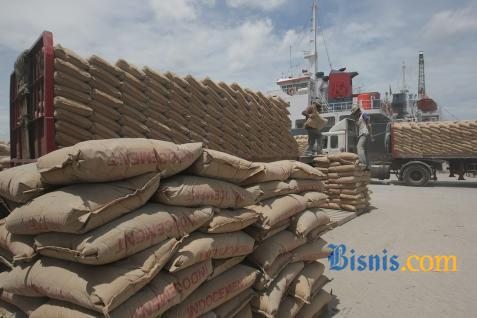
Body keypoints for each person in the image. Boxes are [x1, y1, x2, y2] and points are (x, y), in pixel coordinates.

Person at [351, 105, 373, 170]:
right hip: (363, 134)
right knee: (365, 151)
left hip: (365, 133)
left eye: (354, 113)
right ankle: (368, 166)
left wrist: (371, 135)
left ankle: (363, 164)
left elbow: (369, 124)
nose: (354, 115)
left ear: (358, 111)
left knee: (359, 147)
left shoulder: (364, 114)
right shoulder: (359, 117)